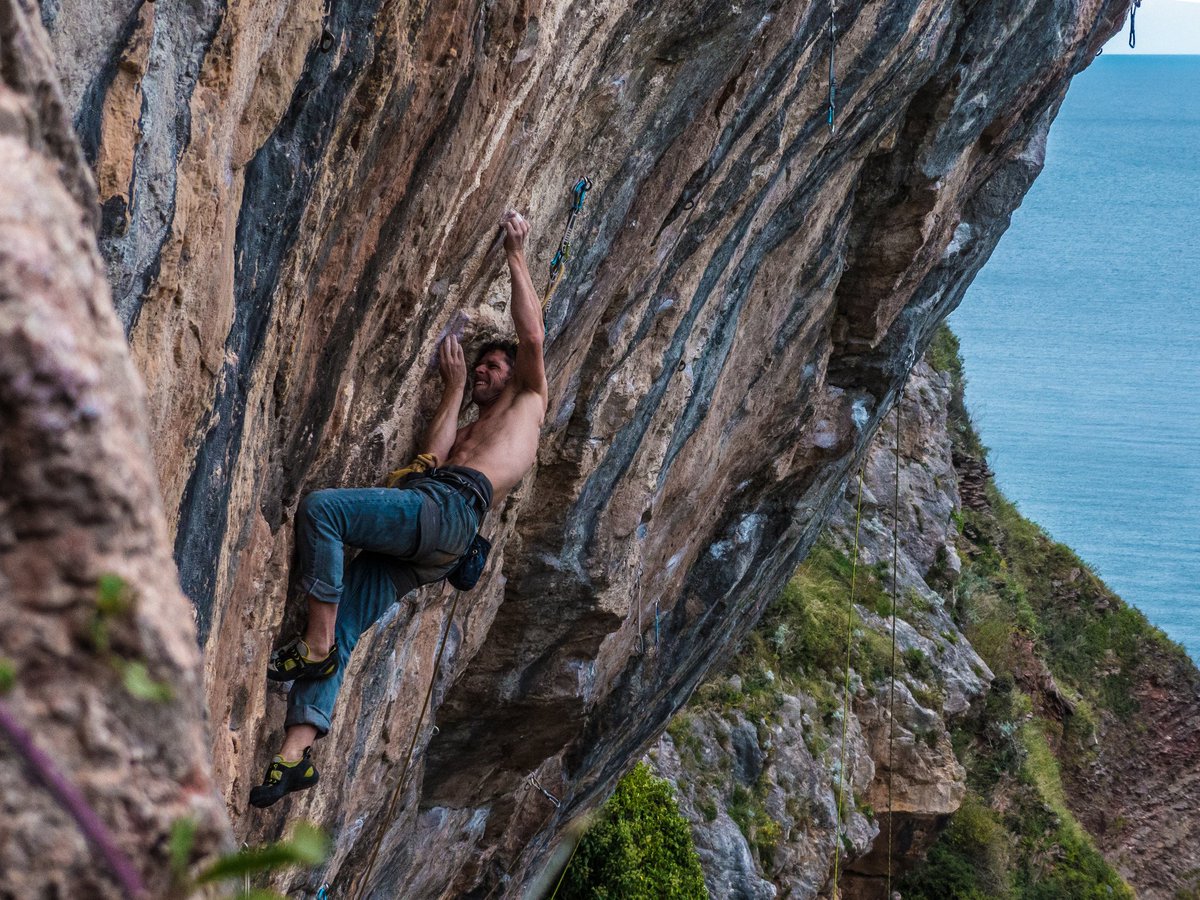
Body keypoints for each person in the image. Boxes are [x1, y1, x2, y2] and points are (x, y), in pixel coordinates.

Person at [250, 210, 548, 807]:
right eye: (484, 365)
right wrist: (455, 389)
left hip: (450, 514)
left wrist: (516, 254)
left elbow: (533, 338)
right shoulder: (473, 427)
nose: (488, 371)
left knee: (324, 511)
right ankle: (294, 756)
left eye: (495, 367)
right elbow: (429, 461)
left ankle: (314, 644)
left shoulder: (530, 400)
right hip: (437, 528)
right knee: (350, 620)